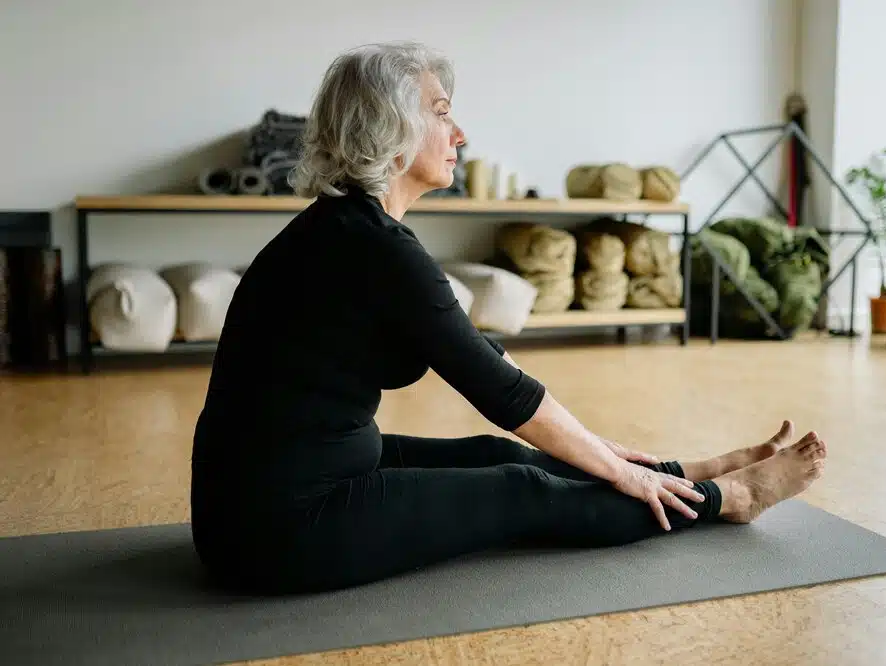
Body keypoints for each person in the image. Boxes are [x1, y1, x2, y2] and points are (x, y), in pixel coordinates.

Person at [189, 42, 827, 595]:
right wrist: (613, 466)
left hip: (281, 491)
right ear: (388, 127)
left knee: (492, 455)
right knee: (520, 487)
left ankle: (684, 474)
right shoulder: (373, 246)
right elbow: (505, 394)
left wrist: (617, 456)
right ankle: (727, 500)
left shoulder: (345, 231)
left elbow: (477, 356)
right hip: (282, 528)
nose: (460, 133)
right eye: (441, 113)